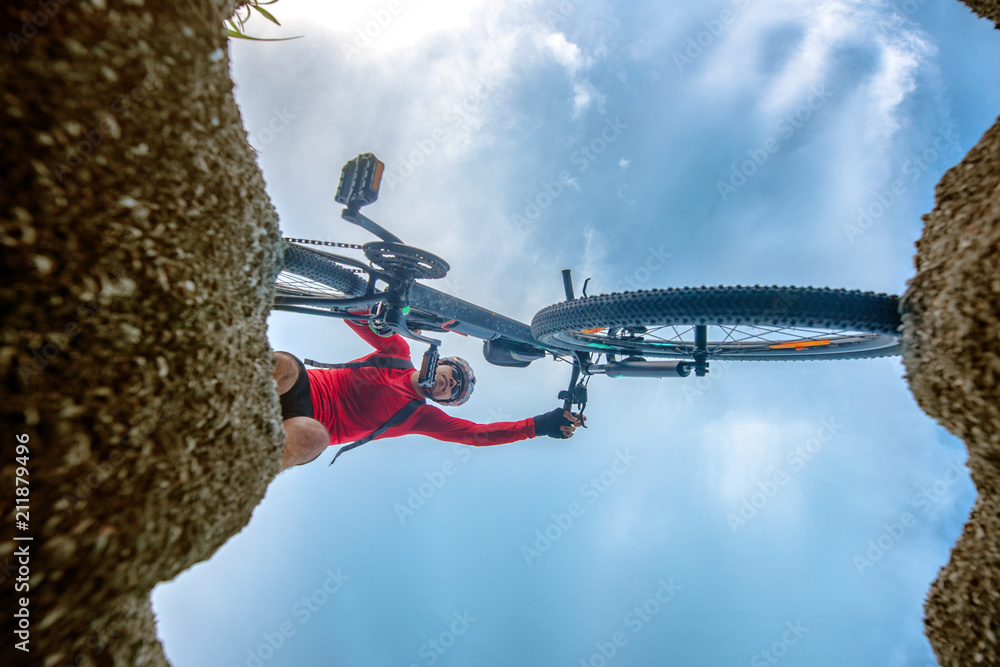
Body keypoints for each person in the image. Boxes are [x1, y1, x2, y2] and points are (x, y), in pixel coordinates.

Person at [273, 318, 585, 471]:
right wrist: (392, 316)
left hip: (308, 423)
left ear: (442, 402)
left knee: (313, 438)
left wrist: (538, 425)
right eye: (455, 375)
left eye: (456, 392)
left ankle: (251, 457)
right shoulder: (396, 351)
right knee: (285, 367)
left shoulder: (419, 416)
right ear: (443, 362)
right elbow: (356, 315)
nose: (452, 384)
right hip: (302, 386)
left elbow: (477, 434)